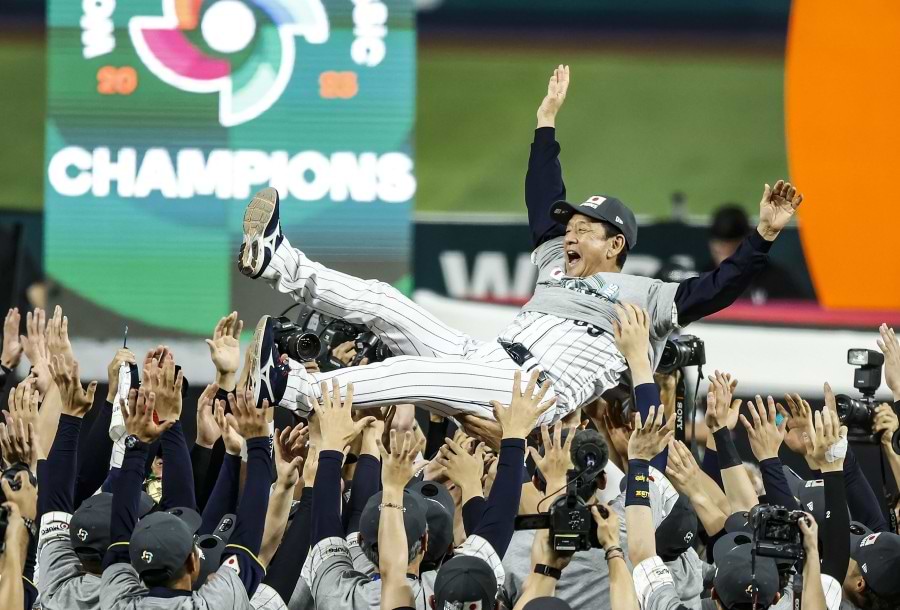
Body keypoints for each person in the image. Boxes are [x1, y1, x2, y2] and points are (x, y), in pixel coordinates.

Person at [236, 64, 804, 427]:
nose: (570, 233)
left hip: (531, 393)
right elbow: (543, 199)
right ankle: (278, 260)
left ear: (617, 244)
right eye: (570, 226)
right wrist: (545, 125)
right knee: (386, 302)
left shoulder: (647, 297)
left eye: (585, 229)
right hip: (486, 358)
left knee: (412, 374)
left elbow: (719, 287)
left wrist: (764, 235)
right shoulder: (560, 265)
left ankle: (294, 388)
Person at [706, 205, 810, 302]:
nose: (725, 260)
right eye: (719, 252)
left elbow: (800, 311)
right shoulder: (705, 278)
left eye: (732, 251)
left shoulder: (775, 281)